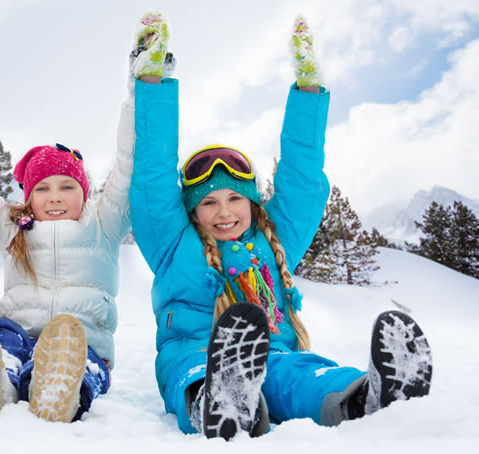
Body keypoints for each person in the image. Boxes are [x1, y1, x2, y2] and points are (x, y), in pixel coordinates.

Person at [128, 15, 433, 440]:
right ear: (191, 210)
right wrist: (152, 83)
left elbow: (302, 179)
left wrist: (309, 90)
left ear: (253, 203)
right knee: (196, 377)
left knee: (301, 375)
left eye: (235, 198)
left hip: (275, 353)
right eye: (209, 203)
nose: (224, 211)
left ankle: (367, 397)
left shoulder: (276, 239)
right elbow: (151, 176)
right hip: (193, 355)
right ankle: (221, 407)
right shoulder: (173, 242)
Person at [0, 15, 169, 429]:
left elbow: (129, 161)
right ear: (28, 197)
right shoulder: (12, 226)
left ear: (84, 191)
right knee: (0, 348)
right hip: (15, 331)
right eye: (42, 189)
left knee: (75, 355)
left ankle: (59, 387)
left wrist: (140, 86)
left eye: (65, 187)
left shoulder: (104, 222)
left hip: (81, 341)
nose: (54, 196)